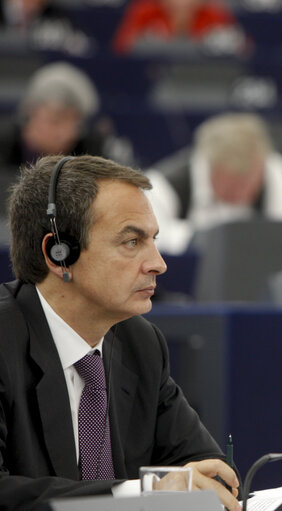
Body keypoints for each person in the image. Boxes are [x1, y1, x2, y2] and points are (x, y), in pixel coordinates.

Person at [0, 155, 240, 511]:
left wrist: (204, 488)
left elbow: (209, 470)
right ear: (58, 254)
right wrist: (139, 496)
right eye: (132, 242)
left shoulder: (140, 343)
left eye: (154, 240)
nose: (158, 263)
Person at [145, 112, 282, 255]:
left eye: (251, 187)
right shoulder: (159, 187)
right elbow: (154, 245)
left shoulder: (271, 168)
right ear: (209, 167)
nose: (242, 195)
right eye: (232, 188)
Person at [0, 62, 133, 213]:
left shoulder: (94, 150)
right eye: (54, 121)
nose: (63, 133)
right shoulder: (5, 144)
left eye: (73, 123)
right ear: (29, 114)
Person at [112, 0, 244, 55]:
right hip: (150, 82)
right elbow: (121, 48)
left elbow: (243, 50)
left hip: (205, 82)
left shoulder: (216, 13)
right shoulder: (144, 11)